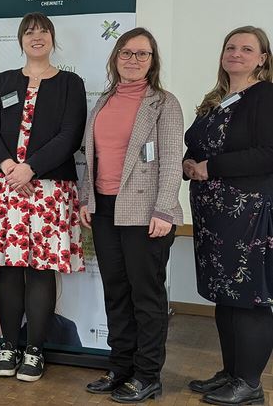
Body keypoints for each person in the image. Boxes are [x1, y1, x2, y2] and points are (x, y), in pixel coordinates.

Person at [0, 12, 86, 382]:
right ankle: (8, 346)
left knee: (40, 271)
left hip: (48, 189)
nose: (37, 37)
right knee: (6, 269)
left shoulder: (70, 83)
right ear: (21, 40)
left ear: (52, 38)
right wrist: (9, 166)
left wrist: (31, 168)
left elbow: (70, 135)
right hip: (4, 186)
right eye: (30, 32)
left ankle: (34, 350)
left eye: (43, 31)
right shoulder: (4, 80)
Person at [79, 28, 183, 403]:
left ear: (153, 61)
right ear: (115, 58)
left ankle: (147, 374)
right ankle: (121, 367)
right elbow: (92, 156)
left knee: (146, 297)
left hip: (146, 214)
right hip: (105, 211)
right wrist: (86, 198)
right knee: (116, 293)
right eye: (126, 53)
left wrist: (164, 208)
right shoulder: (104, 101)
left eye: (142, 54)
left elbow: (171, 161)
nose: (133, 60)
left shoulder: (164, 103)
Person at [184, 26, 273, 406]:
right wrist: (189, 163)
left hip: (248, 214)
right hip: (213, 217)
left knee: (249, 297)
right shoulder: (217, 99)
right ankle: (232, 372)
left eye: (247, 49)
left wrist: (211, 167)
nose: (236, 53)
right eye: (231, 47)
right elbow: (196, 144)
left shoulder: (265, 96)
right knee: (225, 296)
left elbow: (268, 153)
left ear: (262, 58)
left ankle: (249, 383)